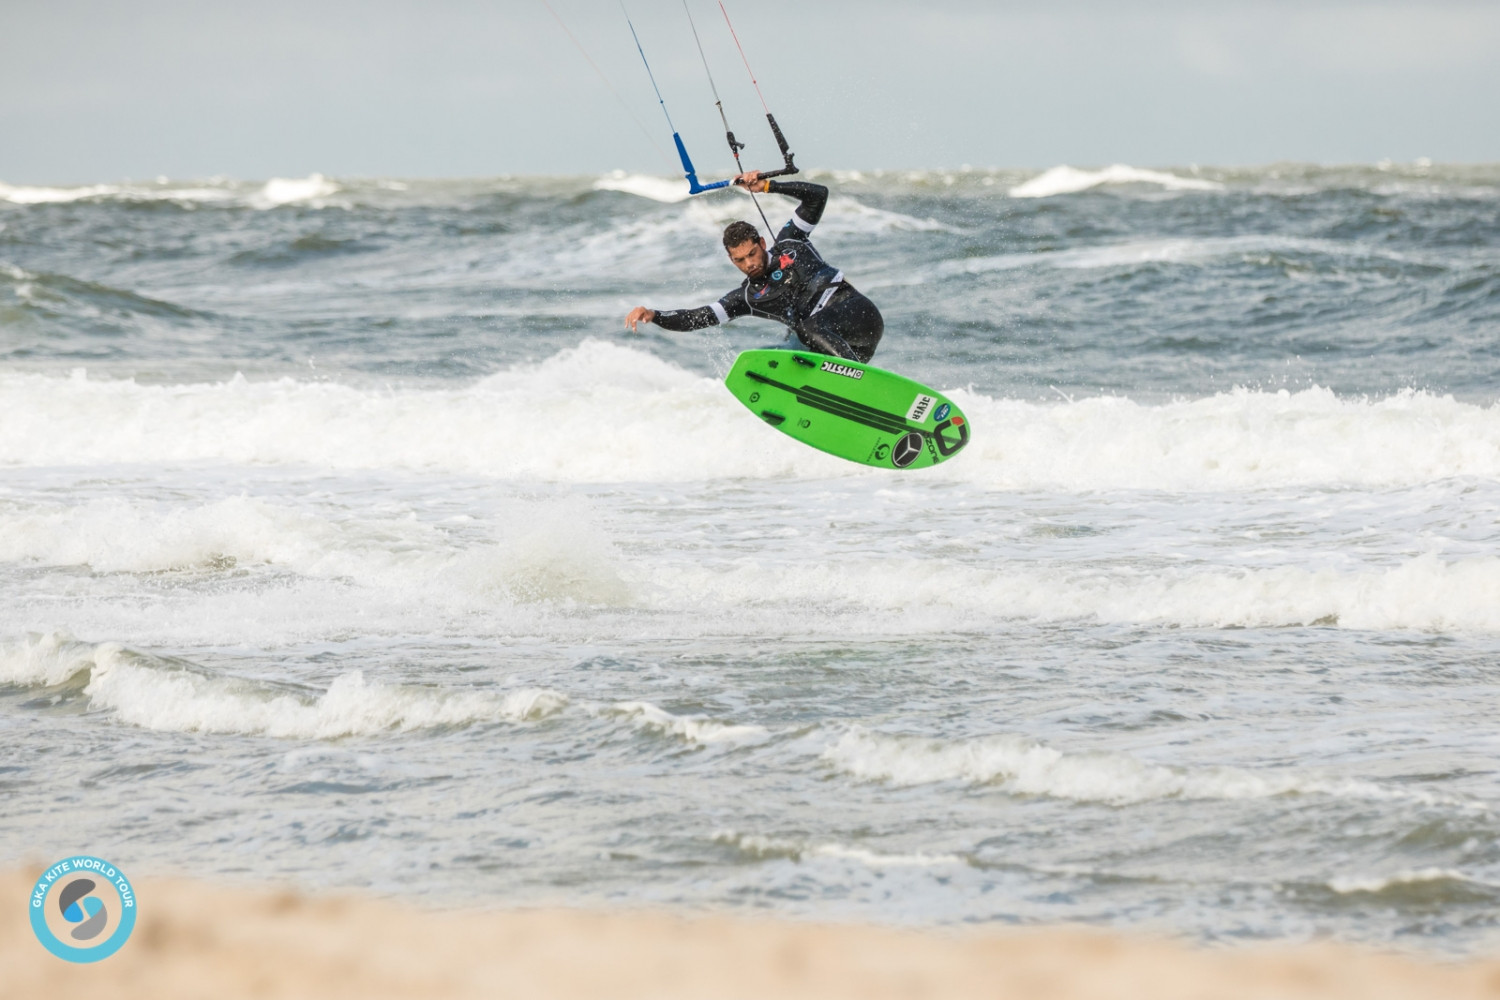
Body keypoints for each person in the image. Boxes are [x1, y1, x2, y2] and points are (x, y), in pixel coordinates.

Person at [624, 171, 883, 362]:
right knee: (772, 360)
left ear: (761, 243)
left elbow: (818, 196)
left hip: (858, 316)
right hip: (837, 349)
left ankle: (859, 382)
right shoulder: (746, 297)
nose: (749, 264)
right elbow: (699, 317)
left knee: (806, 329)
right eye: (740, 260)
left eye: (752, 254)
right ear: (731, 260)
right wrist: (655, 315)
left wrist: (768, 186)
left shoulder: (791, 240)